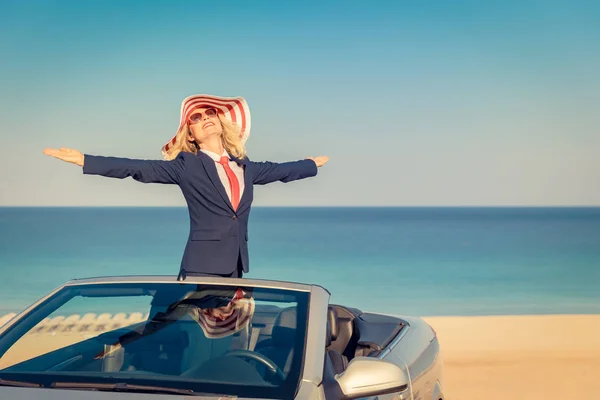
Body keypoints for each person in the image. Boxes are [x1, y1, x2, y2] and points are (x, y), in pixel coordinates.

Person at [44, 94, 329, 278]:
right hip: (201, 267)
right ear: (189, 134)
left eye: (209, 114)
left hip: (236, 266)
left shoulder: (244, 166)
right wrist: (85, 160)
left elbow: (279, 171)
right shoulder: (187, 166)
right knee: (193, 335)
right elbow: (137, 168)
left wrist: (310, 165)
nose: (205, 119)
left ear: (220, 122)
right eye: (196, 118)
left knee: (224, 338)